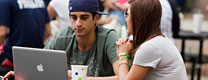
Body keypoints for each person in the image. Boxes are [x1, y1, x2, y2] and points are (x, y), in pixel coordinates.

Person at [3, 0, 119, 80]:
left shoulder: (109, 37)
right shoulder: (62, 37)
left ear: (96, 18)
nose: (78, 23)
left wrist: (79, 78)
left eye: (84, 17)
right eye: (73, 17)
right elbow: (39, 67)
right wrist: (22, 74)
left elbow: (123, 77)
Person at [116, 0, 188, 80]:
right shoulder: (157, 40)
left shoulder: (150, 47)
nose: (125, 19)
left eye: (127, 14)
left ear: (138, 18)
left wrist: (123, 55)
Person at [0, 0, 51, 75]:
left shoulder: (5, 2)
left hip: (13, 58)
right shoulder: (41, 1)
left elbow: (1, 33)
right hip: (38, 59)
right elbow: (48, 32)